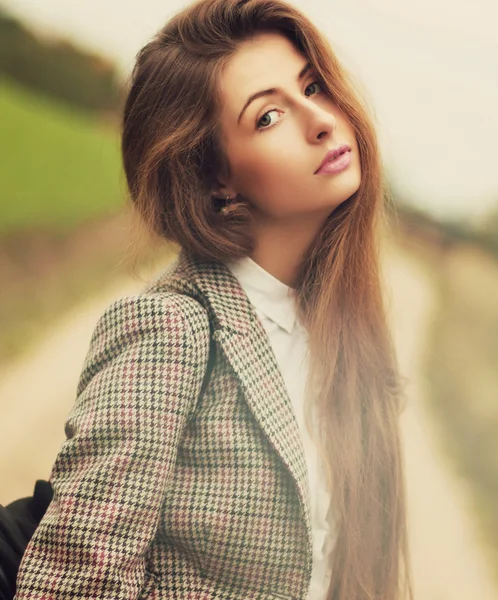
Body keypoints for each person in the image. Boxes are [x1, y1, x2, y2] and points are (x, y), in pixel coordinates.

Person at [12, 0, 413, 598]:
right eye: (269, 116)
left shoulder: (343, 334)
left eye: (313, 86)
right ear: (215, 176)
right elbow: (76, 581)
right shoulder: (171, 327)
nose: (322, 120)